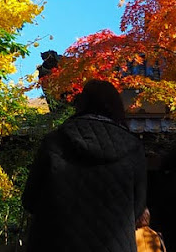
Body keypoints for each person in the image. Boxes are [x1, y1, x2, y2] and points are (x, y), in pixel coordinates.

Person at [22, 79, 147, 252]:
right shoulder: (133, 148)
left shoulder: (55, 141)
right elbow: (138, 207)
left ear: (82, 103)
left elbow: (30, 199)